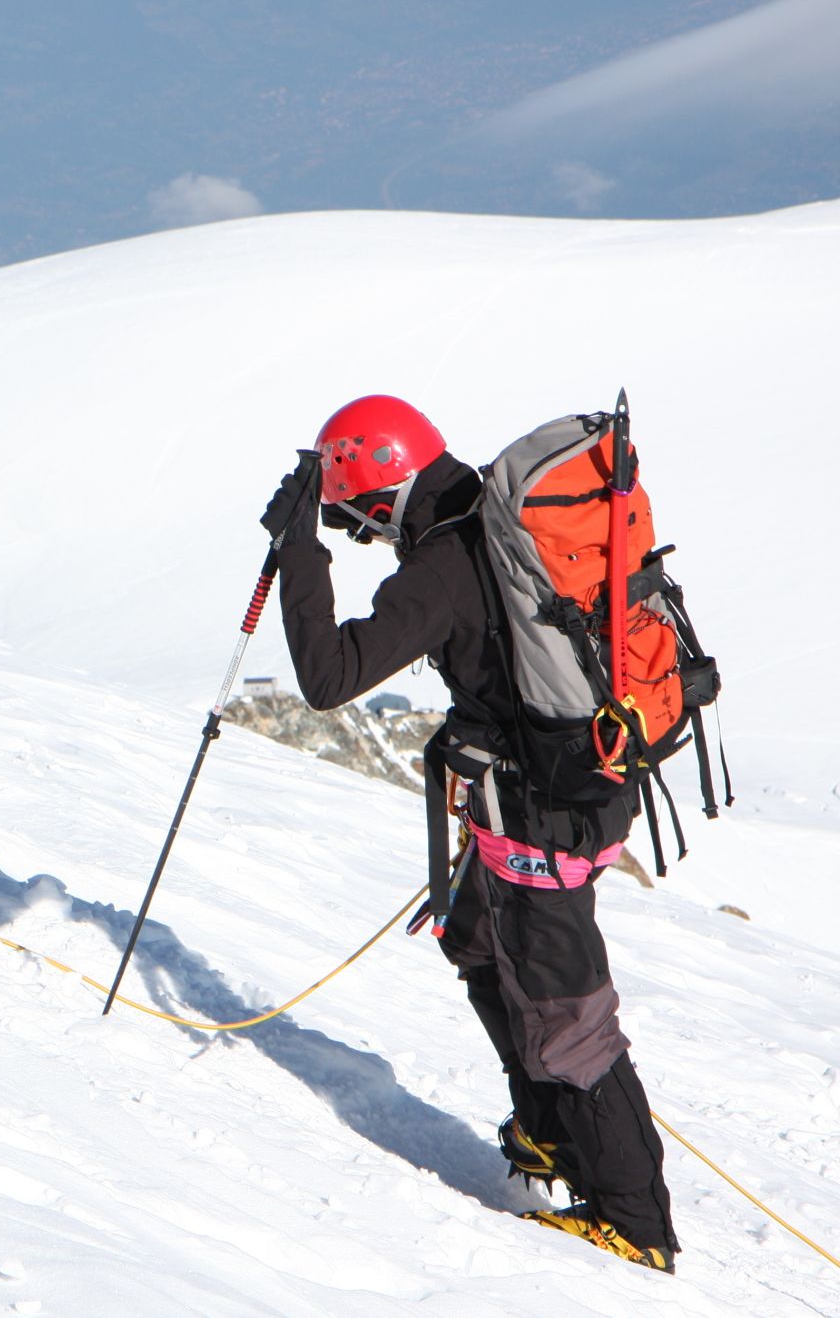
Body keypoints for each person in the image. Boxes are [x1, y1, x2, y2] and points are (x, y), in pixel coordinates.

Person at [258, 393, 677, 1272]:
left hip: (541, 814)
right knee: (480, 939)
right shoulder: (485, 511)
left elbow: (330, 676)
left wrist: (297, 549)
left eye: (347, 511)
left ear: (375, 490)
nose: (353, 528)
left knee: (570, 1015)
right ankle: (550, 1128)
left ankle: (636, 1224)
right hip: (572, 790)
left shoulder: (445, 563)